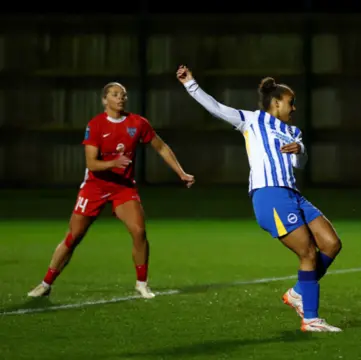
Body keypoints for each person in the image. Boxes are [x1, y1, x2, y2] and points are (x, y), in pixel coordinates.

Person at [177, 65, 342, 332]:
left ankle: (299, 292)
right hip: (269, 195)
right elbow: (216, 108)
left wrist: (300, 149)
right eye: (291, 102)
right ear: (276, 102)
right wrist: (190, 84)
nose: (294, 108)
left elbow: (301, 163)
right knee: (308, 252)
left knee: (332, 243)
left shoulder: (293, 132)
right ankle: (310, 318)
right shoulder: (251, 120)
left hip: (293, 194)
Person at [27, 82, 195, 299]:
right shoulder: (96, 125)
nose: (121, 98)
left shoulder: (138, 123)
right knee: (74, 236)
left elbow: (160, 146)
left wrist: (181, 173)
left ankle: (142, 283)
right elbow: (91, 163)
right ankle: (46, 284)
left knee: (139, 231)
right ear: (105, 100)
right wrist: (112, 163)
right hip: (94, 188)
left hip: (123, 189)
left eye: (123, 94)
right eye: (115, 94)